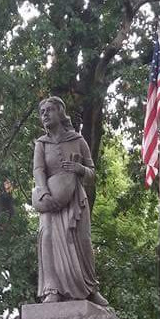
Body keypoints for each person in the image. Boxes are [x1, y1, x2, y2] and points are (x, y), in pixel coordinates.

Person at [32, 96, 108, 305]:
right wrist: (44, 192)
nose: (45, 114)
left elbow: (92, 173)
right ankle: (52, 290)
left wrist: (80, 169)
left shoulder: (77, 140)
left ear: (60, 112)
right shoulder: (41, 144)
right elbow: (38, 170)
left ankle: (90, 289)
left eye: (49, 110)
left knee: (82, 241)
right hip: (49, 202)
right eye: (42, 112)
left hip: (75, 200)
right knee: (47, 237)